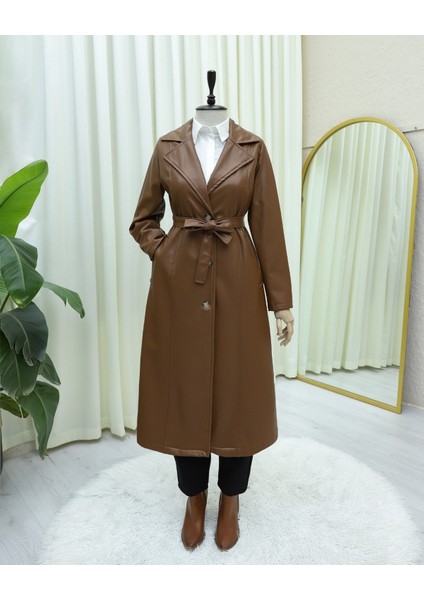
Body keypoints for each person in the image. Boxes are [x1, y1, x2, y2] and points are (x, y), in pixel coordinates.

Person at [129, 108, 294, 552]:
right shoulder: (168, 147)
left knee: (239, 392)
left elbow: (268, 227)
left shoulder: (252, 148)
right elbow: (143, 219)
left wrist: (281, 302)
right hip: (179, 285)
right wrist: (166, 252)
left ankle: (232, 498)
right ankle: (194, 497)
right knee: (185, 388)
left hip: (238, 281)